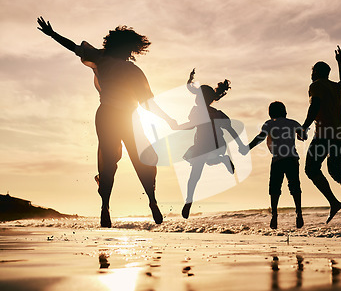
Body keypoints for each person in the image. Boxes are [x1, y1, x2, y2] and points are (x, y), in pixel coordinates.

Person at [37, 17, 176, 227]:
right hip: (121, 117)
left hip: (114, 116)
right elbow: (149, 104)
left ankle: (120, 205)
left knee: (116, 161)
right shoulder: (128, 69)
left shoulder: (106, 60)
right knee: (129, 160)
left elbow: (148, 103)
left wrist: (168, 119)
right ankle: (130, 203)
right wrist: (53, 34)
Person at [169, 69, 247, 219]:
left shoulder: (199, 112)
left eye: (197, 97)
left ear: (200, 99)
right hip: (217, 145)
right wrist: (240, 145)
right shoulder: (216, 112)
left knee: (195, 175)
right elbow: (230, 129)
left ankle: (188, 201)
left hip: (204, 145)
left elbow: (191, 125)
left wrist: (177, 126)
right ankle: (223, 160)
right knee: (208, 163)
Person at [300, 45, 341, 224]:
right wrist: (340, 62)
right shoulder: (336, 87)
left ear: (315, 73)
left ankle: (334, 202)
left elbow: (314, 106)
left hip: (324, 135)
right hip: (340, 135)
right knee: (336, 170)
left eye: (312, 72)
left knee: (311, 169)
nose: (311, 75)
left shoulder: (316, 86)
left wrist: (305, 126)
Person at [246, 101, 307, 229]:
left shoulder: (269, 124)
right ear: (285, 112)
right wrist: (301, 135)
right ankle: (299, 213)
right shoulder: (292, 123)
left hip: (277, 160)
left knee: (274, 188)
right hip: (292, 159)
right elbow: (304, 135)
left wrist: (248, 147)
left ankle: (274, 215)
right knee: (295, 185)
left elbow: (261, 137)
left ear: (270, 113)